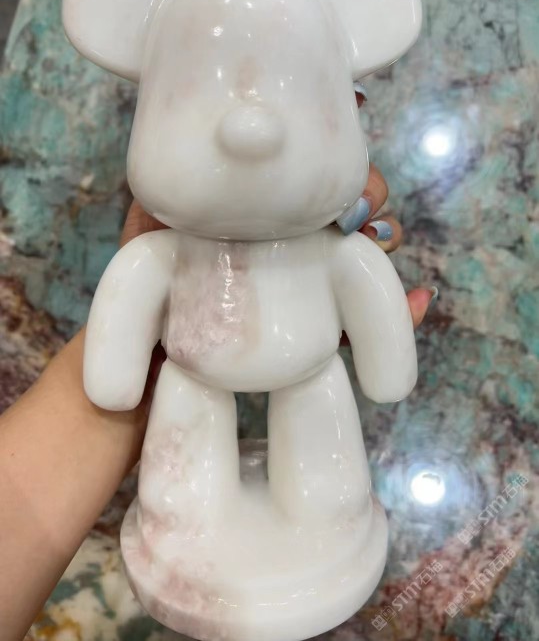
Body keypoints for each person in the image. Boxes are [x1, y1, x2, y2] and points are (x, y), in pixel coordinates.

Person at [0, 170, 437, 641]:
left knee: (322, 457)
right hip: (191, 377)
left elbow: (366, 281)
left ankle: (328, 498)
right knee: (184, 471)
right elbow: (134, 286)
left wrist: (387, 364)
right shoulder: (162, 252)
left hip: (311, 373)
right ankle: (183, 507)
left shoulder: (335, 250)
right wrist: (115, 382)